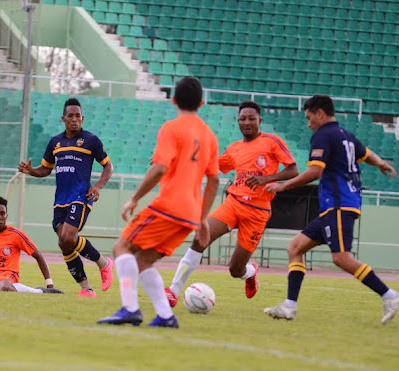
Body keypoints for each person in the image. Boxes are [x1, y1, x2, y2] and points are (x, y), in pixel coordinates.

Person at [263, 95, 398, 324]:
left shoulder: (322, 136)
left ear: (320, 113)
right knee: (295, 247)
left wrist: (282, 186)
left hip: (338, 204)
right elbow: (367, 154)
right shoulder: (346, 136)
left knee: (341, 258)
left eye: (309, 117)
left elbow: (315, 172)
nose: (308, 123)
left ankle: (390, 295)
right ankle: (289, 306)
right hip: (335, 206)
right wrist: (382, 163)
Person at [97, 76, 220, 328]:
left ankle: (129, 308)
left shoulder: (171, 128)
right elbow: (214, 180)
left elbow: (159, 168)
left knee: (121, 249)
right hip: (189, 215)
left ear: (173, 99)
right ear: (202, 102)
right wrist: (202, 218)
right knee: (142, 262)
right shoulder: (209, 136)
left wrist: (135, 198)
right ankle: (165, 315)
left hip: (168, 207)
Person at [164, 101, 299, 306]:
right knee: (200, 238)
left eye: (251, 118)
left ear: (259, 121)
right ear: (238, 122)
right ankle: (173, 291)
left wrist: (266, 179)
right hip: (233, 204)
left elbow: (293, 170)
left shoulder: (272, 142)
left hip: (258, 213)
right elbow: (206, 162)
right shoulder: (235, 149)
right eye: (243, 119)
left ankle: (250, 273)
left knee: (235, 269)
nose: (247, 122)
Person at [18, 98, 114, 297]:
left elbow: (108, 166)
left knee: (68, 236)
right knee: (64, 243)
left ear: (82, 118)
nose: (74, 119)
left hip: (81, 196)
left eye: (78, 116)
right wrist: (31, 171)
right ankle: (87, 289)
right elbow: (45, 169)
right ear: (63, 118)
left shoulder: (91, 140)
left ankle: (103, 263)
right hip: (60, 200)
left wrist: (97, 186)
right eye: (70, 116)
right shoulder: (55, 142)